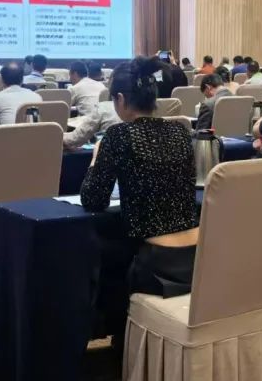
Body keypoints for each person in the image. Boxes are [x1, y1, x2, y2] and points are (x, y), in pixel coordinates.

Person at [81, 57, 199, 336]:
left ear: (120, 99)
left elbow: (93, 199)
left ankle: (107, 332)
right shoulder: (180, 131)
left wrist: (96, 159)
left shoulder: (118, 135)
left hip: (154, 263)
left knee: (91, 248)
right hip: (195, 255)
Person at [0, 62, 42, 127]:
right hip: (33, 133)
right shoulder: (36, 97)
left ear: (2, 80)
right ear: (22, 80)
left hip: (7, 133)